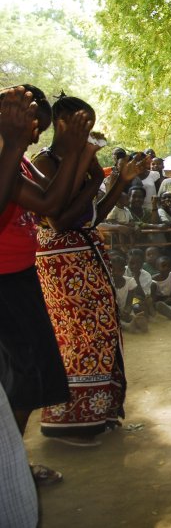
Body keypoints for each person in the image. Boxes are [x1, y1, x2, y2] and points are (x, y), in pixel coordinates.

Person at [33, 95, 145, 446]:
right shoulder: (45, 162)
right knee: (79, 338)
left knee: (102, 333)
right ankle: (68, 421)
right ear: (63, 123)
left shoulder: (78, 163)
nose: (90, 133)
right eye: (85, 125)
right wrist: (88, 165)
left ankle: (97, 412)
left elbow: (90, 216)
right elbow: (60, 221)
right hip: (63, 263)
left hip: (87, 256)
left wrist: (118, 181)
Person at [0, 86, 55, 515]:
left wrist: (78, 156)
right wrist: (15, 141)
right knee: (20, 380)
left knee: (27, 380)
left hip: (19, 274)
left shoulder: (16, 156)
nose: (35, 134)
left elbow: (54, 204)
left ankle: (13, 463)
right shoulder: (10, 150)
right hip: (4, 280)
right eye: (32, 122)